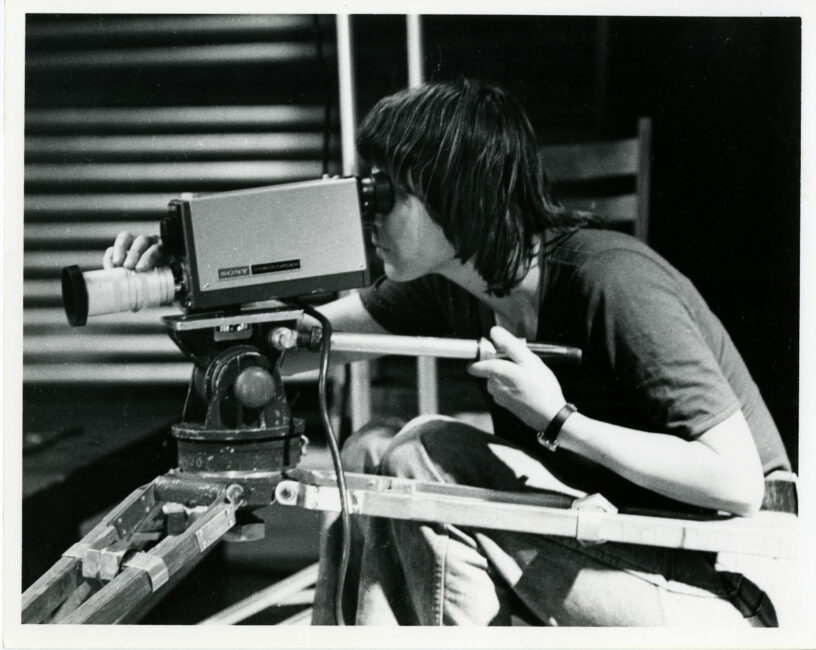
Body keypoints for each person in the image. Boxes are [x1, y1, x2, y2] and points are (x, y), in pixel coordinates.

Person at [106, 79, 795, 627]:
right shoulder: (452, 285)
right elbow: (285, 352)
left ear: (459, 195)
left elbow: (735, 485)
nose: (367, 215)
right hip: (621, 548)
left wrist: (561, 422)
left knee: (422, 449)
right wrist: (190, 274)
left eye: (386, 194)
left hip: (734, 582)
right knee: (373, 448)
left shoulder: (613, 283)